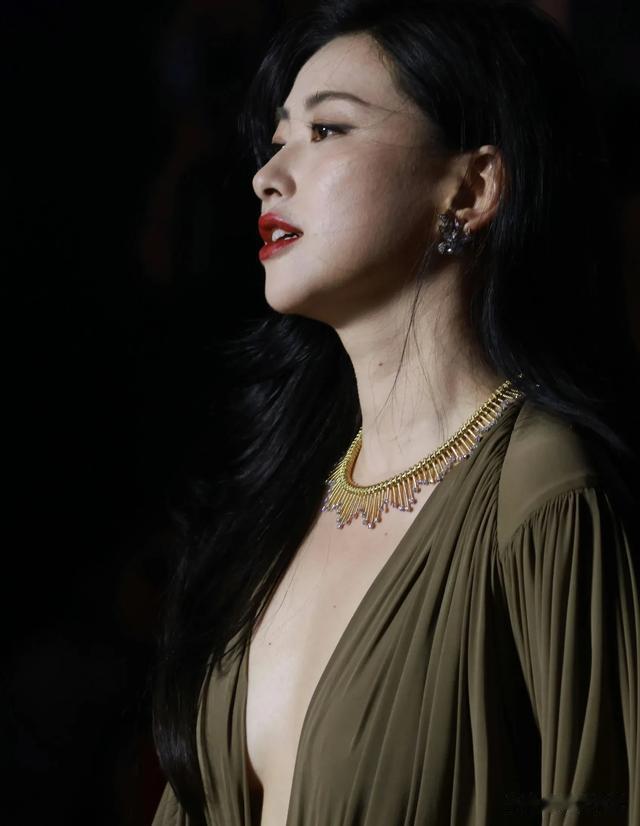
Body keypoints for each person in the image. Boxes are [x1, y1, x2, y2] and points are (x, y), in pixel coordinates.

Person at [151, 1, 640, 824]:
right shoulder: (281, 504)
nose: (268, 175)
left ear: (472, 187)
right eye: (277, 138)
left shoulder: (544, 495)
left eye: (327, 130)